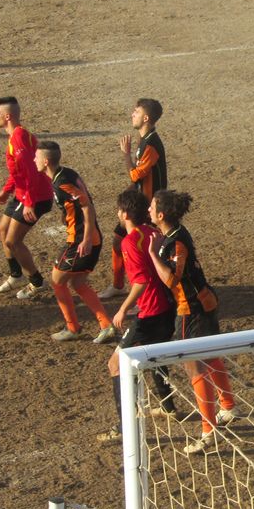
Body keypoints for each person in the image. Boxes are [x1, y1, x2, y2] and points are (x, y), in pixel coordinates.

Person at [147, 189, 239, 455]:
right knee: (210, 356)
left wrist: (152, 254)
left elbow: (171, 279)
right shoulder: (175, 233)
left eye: (152, 207)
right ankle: (228, 407)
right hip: (204, 301)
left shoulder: (174, 242)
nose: (149, 210)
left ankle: (208, 432)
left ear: (161, 215)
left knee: (194, 366)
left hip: (192, 310)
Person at [97, 190, 177, 444]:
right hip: (168, 307)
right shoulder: (152, 232)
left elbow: (141, 281)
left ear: (125, 214)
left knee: (115, 364)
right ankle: (168, 406)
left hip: (151, 311)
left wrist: (123, 309)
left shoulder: (130, 242)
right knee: (155, 355)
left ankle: (125, 427)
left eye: (119, 210)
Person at [33, 141, 116, 344]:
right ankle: (106, 325)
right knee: (78, 283)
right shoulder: (67, 173)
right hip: (91, 238)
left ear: (46, 162)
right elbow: (78, 203)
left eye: (36, 157)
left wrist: (85, 238)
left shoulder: (62, 183)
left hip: (80, 241)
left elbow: (87, 207)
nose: (34, 160)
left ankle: (73, 328)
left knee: (57, 281)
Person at [98, 98, 168, 300]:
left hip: (149, 207)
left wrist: (126, 155)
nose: (132, 114)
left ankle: (149, 294)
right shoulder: (145, 140)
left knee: (144, 252)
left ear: (146, 118)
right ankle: (118, 285)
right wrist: (130, 189)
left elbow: (136, 174)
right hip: (139, 202)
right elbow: (140, 177)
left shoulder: (151, 144)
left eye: (136, 112)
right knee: (118, 241)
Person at [0, 96, 54, 299]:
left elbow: (30, 172)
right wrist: (6, 190)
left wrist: (29, 202)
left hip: (35, 197)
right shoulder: (17, 136)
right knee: (2, 230)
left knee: (13, 241)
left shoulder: (18, 138)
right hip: (23, 193)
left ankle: (37, 282)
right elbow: (18, 171)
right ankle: (16, 275)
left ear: (7, 117)